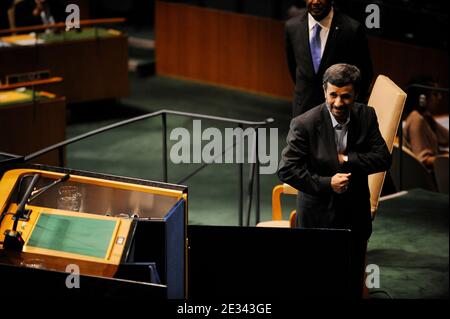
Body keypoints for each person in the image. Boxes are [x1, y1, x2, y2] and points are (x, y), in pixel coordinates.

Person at [277, 63, 391, 297]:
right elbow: (287, 170)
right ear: (324, 91)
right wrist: (326, 183)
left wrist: (346, 159)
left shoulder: (367, 115)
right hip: (317, 218)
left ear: (356, 94)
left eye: (346, 96)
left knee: (350, 281)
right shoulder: (304, 124)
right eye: (333, 95)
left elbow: (383, 159)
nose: (338, 103)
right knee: (316, 282)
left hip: (355, 216)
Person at [285, 0, 373, 117]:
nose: (315, 2)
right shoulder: (292, 27)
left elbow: (365, 73)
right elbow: (293, 66)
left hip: (338, 112)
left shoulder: (352, 29)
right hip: (302, 110)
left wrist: (348, 104)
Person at [403, 76, 449, 169]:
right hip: (424, 178)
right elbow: (423, 160)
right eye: (435, 94)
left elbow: (446, 138)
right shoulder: (416, 120)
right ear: (422, 98)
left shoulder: (425, 116)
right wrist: (444, 158)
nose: (440, 97)